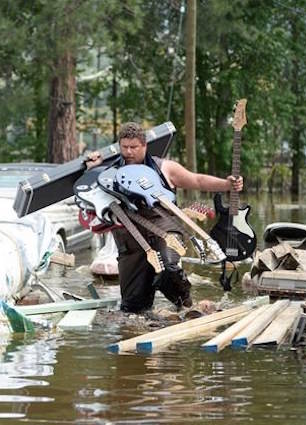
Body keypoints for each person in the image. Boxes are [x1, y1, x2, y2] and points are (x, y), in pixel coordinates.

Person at [85, 122, 243, 313]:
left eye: (133, 147)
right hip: (131, 241)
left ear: (144, 146)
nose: (128, 152)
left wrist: (226, 185)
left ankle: (186, 305)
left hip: (165, 231)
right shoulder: (108, 174)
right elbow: (91, 195)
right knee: (132, 308)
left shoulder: (164, 168)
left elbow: (197, 180)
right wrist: (92, 169)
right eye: (124, 147)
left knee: (168, 267)